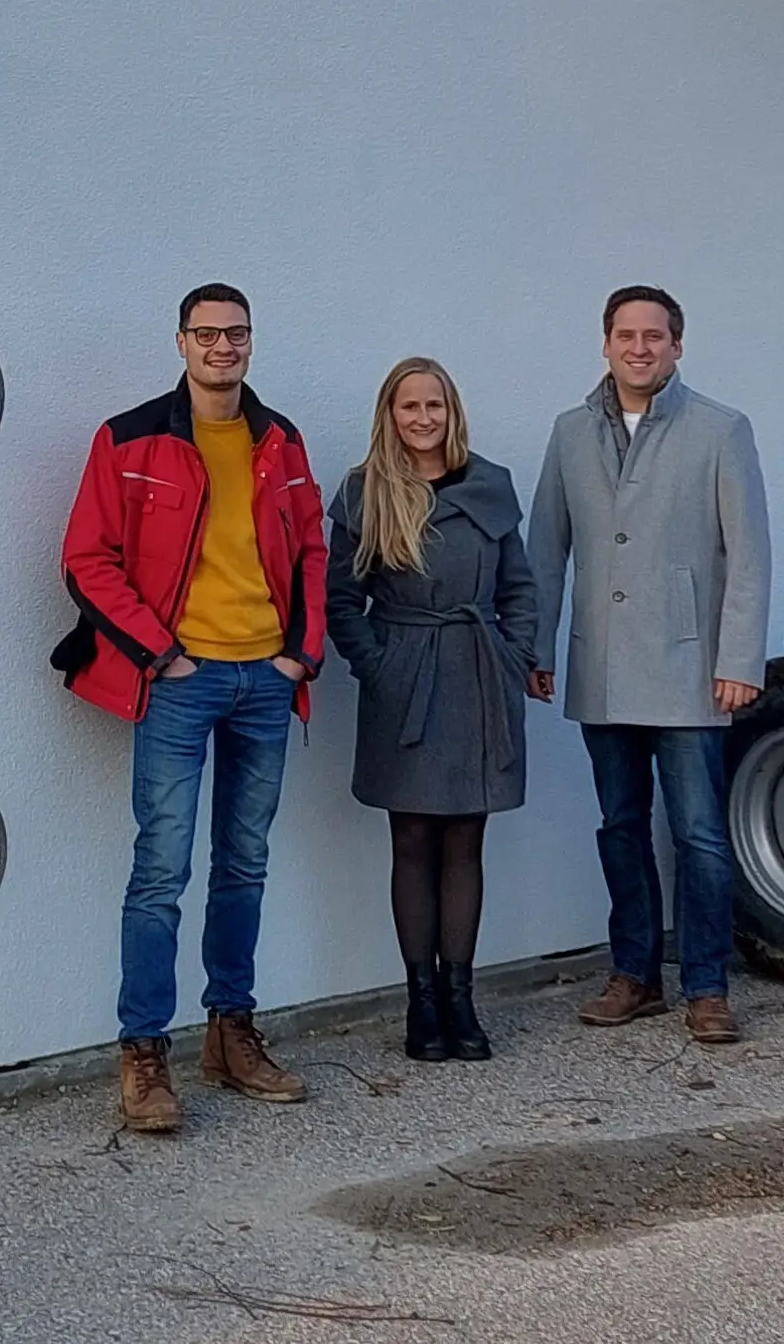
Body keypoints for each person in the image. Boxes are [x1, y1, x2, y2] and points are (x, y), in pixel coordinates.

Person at [55, 283, 330, 1135]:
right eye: (206, 333)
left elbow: (313, 549)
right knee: (161, 871)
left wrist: (302, 652)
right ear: (180, 342)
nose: (222, 347)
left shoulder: (277, 439)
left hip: (263, 679)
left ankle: (231, 1032)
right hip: (181, 680)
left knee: (243, 863)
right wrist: (157, 651)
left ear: (250, 343)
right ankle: (143, 1054)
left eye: (235, 333)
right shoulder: (130, 437)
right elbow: (86, 557)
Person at [527, 286, 772, 1047]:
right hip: (602, 667)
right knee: (620, 825)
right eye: (625, 334)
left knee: (698, 833)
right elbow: (545, 550)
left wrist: (739, 659)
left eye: (655, 336)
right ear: (604, 343)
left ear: (676, 346)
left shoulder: (720, 429)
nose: (640, 347)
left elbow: (748, 553)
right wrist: (537, 646)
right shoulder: (570, 433)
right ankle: (633, 974)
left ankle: (706, 986)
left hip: (690, 668)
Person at [325, 357, 539, 1064]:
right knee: (412, 839)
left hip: (477, 678)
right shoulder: (365, 493)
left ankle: (460, 997)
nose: (422, 419)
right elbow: (337, 600)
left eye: (434, 406)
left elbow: (518, 587)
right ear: (389, 414)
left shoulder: (491, 486)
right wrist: (379, 664)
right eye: (408, 406)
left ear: (452, 412)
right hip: (405, 680)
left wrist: (514, 655)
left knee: (465, 839)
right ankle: (419, 1001)